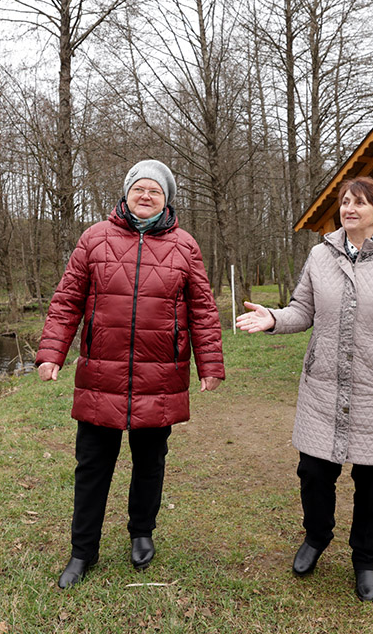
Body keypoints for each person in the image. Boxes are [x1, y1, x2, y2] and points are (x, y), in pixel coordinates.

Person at [235, 176, 373, 602]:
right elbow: (302, 309)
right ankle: (315, 538)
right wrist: (274, 318)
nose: (349, 208)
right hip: (323, 388)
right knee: (313, 475)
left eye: (360, 203)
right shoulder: (321, 255)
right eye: (344, 202)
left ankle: (367, 560)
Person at [37, 159, 225, 589]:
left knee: (149, 464)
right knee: (92, 467)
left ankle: (142, 533)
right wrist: (52, 352)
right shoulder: (94, 239)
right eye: (139, 188)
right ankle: (83, 551)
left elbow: (202, 310)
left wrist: (210, 364)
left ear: (166, 199)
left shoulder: (185, 246)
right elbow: (67, 300)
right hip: (100, 374)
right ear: (125, 194)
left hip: (159, 375)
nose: (146, 196)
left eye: (155, 191)